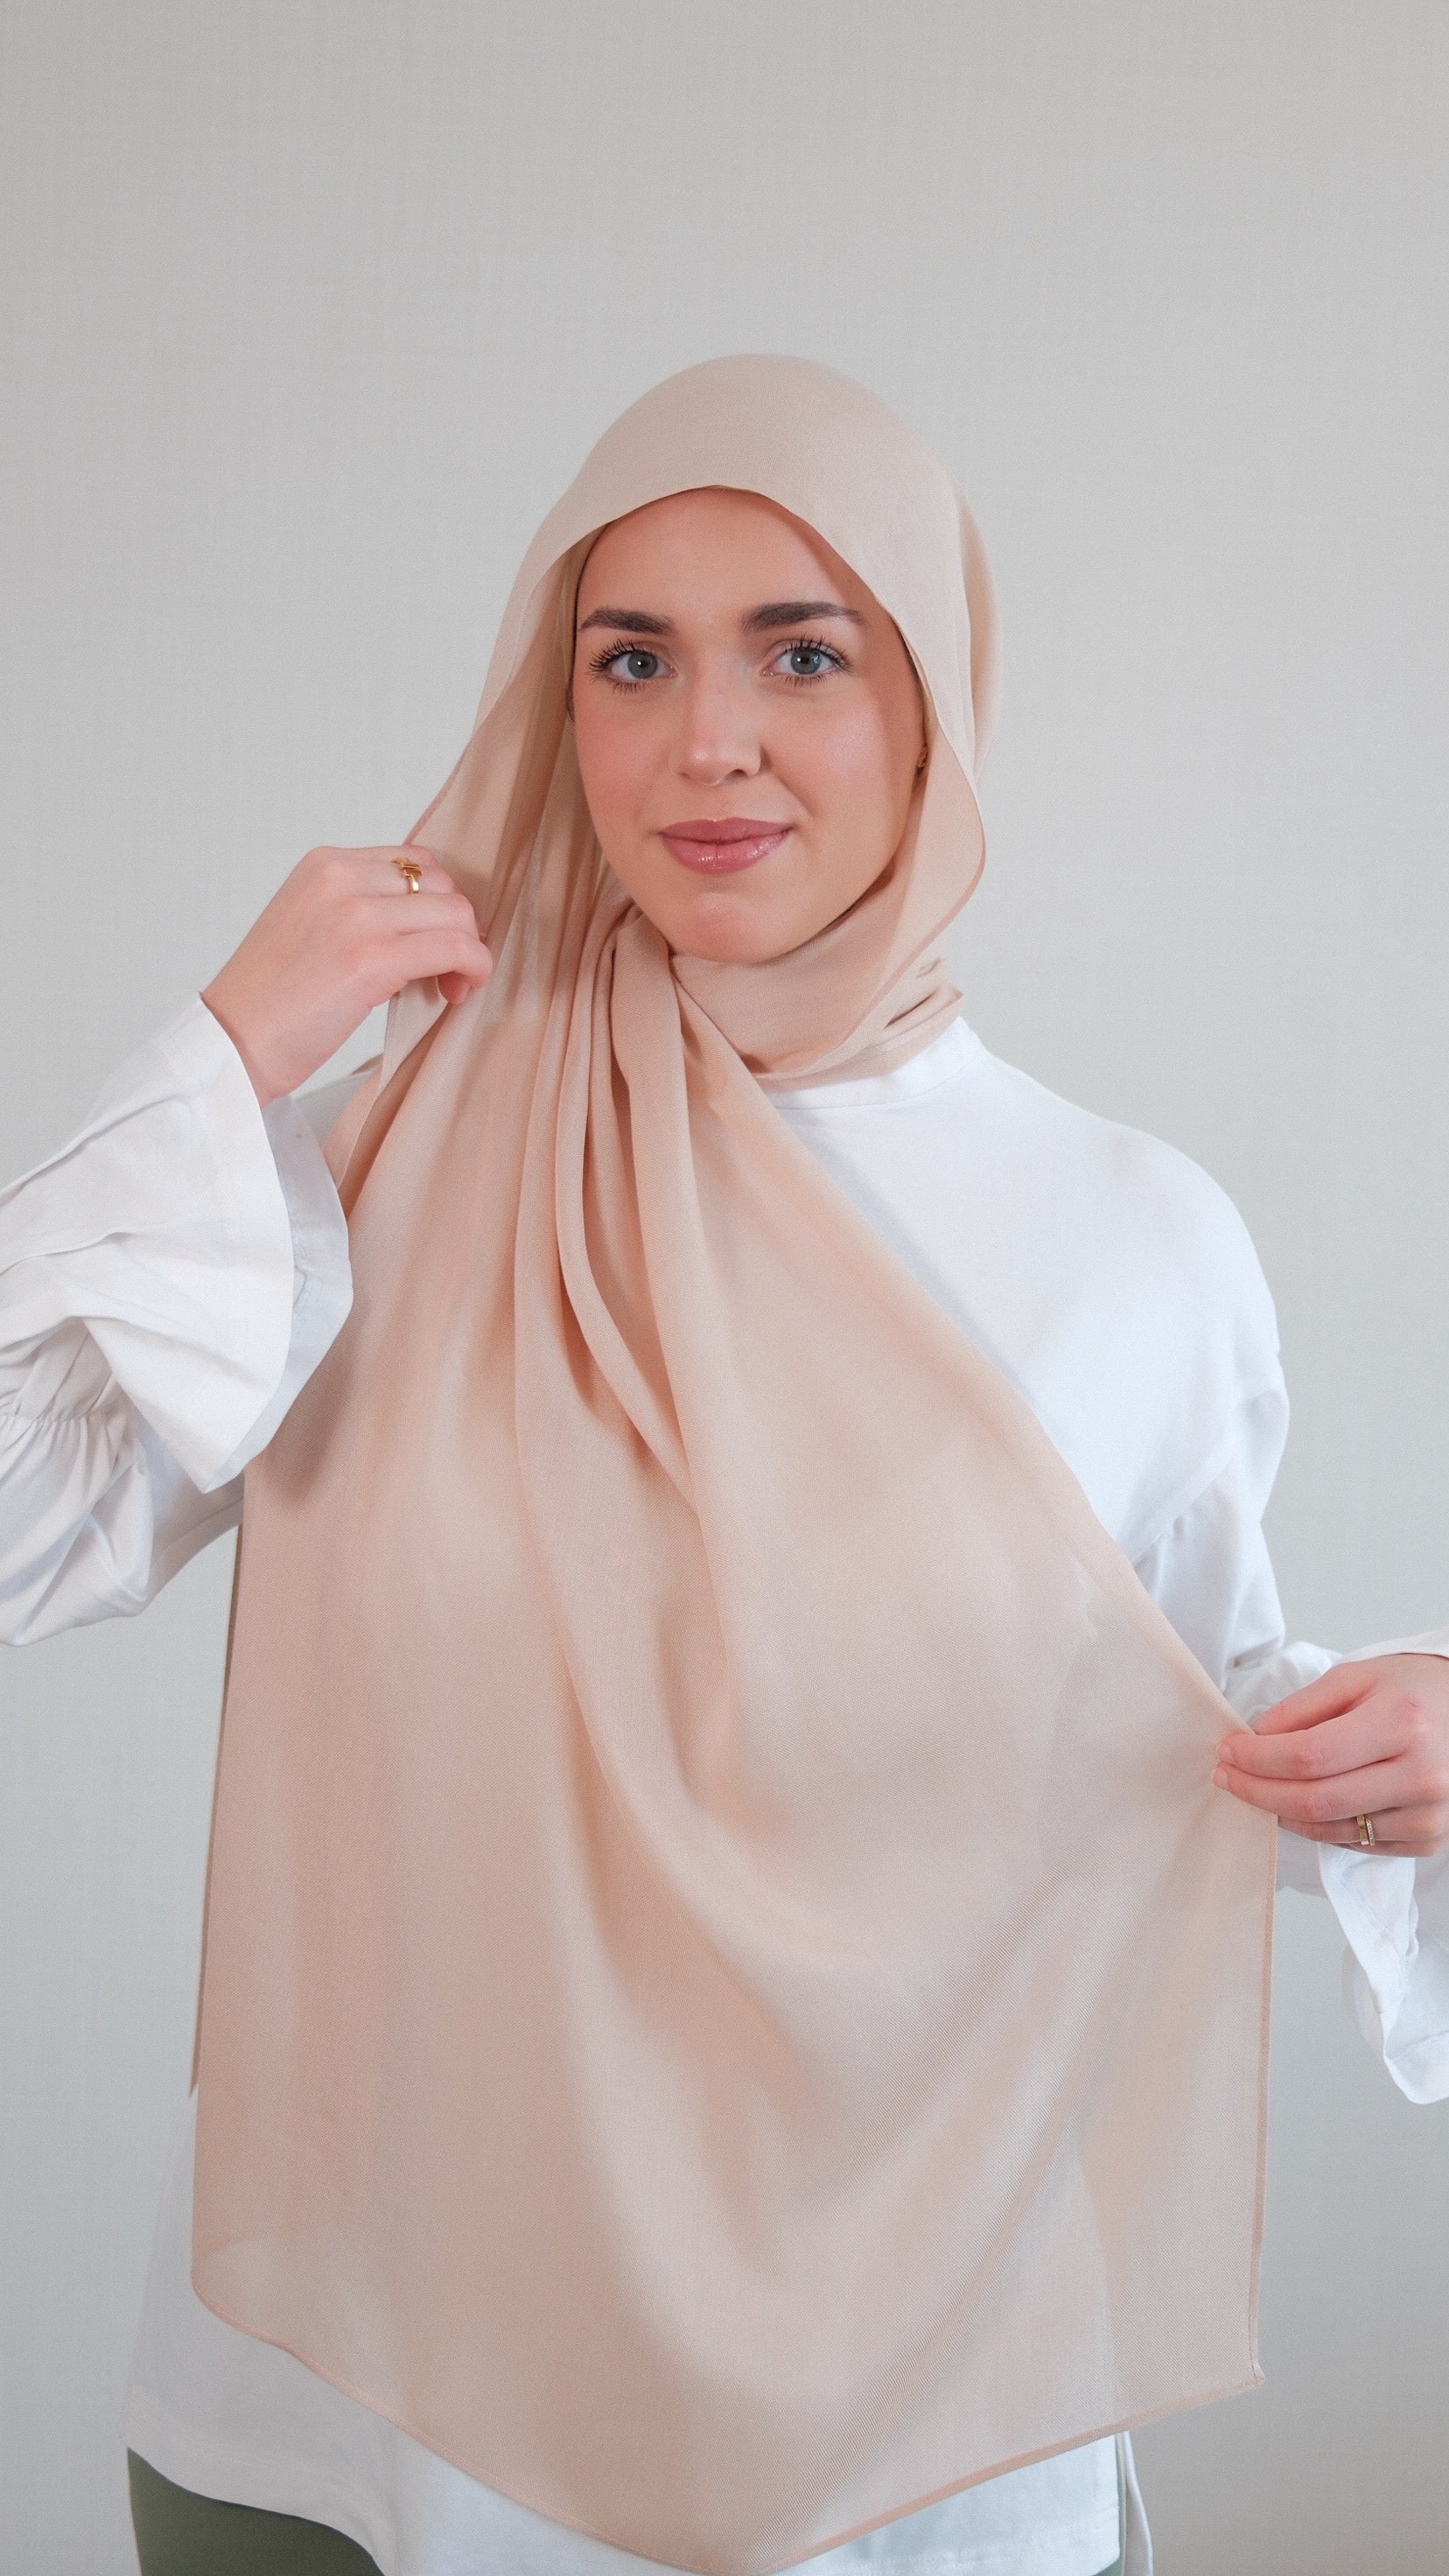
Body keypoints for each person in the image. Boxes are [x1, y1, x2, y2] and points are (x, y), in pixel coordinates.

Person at [2, 357, 1446, 2576]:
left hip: (902, 2423)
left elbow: (1169, 1725)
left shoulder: (1134, 1235)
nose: (708, 742)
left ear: (935, 700)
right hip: (359, 2408)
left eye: (804, 653)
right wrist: (216, 1068)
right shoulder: (377, 1158)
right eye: (632, 659)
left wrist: (1397, 1748)